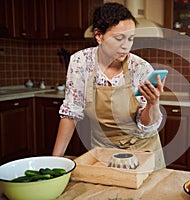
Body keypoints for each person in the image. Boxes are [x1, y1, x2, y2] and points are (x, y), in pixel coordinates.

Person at [52, 2, 166, 169]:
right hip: (103, 153)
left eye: (131, 39)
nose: (126, 45)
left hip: (143, 153)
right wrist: (55, 163)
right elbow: (71, 114)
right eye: (119, 38)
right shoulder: (80, 62)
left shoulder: (140, 68)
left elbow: (146, 125)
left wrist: (152, 104)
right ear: (99, 35)